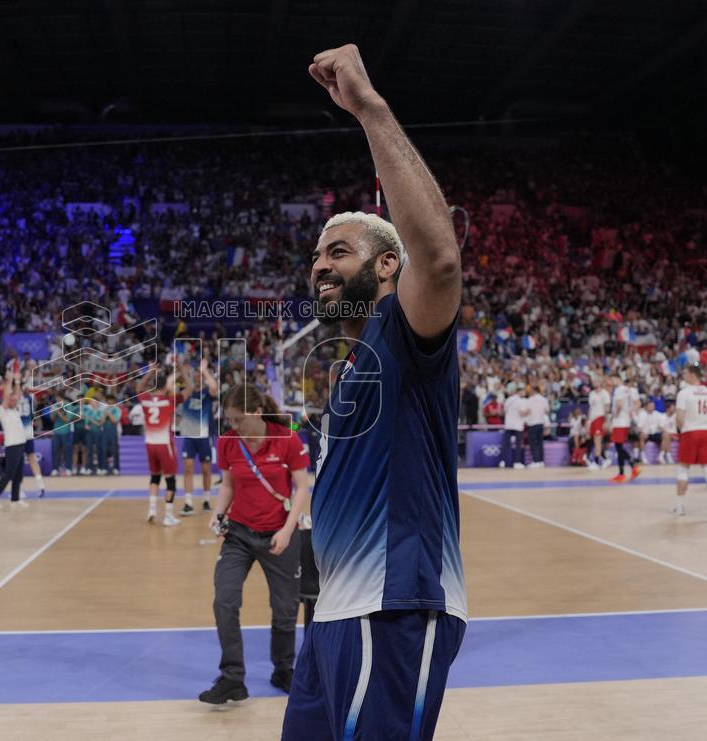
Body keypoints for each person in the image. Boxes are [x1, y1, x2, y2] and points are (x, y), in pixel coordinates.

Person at [282, 44, 466, 741]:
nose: (319, 266)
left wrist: (370, 109)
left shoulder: (404, 331)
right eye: (316, 256)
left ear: (388, 265)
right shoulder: (349, 363)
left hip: (390, 607)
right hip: (333, 612)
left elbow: (441, 259)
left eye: (339, 252)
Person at [199, 384, 310, 705]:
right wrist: (218, 515)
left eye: (237, 420)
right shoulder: (228, 443)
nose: (233, 427)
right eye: (229, 420)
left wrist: (288, 530)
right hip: (240, 534)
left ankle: (283, 668)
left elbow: (302, 488)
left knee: (286, 607)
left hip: (280, 533)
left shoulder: (286, 438)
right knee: (225, 600)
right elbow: (228, 485)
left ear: (257, 412)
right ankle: (233, 678)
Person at [137, 369, 180, 526]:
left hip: (150, 444)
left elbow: (139, 388)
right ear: (166, 387)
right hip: (164, 444)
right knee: (171, 480)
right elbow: (185, 391)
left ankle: (152, 510)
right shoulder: (169, 401)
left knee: (155, 477)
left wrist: (149, 373)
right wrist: (178, 375)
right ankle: (168, 516)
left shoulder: (145, 399)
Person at [179, 358, 219, 515]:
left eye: (199, 376)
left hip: (204, 436)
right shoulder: (187, 392)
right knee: (188, 469)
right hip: (189, 435)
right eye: (195, 375)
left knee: (206, 470)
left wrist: (205, 372)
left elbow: (214, 387)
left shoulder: (207, 393)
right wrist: (182, 369)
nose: (197, 378)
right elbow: (186, 388)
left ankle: (206, 500)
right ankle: (188, 502)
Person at [0, 373, 29, 509]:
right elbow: (7, 396)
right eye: (11, 399)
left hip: (20, 444)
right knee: (9, 473)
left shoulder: (15, 411)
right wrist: (10, 380)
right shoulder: (2, 412)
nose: (14, 400)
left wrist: (17, 381)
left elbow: (16, 395)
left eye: (14, 399)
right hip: (12, 445)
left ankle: (15, 500)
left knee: (18, 475)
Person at [671, 364, 706, 516]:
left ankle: (679, 507)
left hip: (690, 432)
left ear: (693, 375)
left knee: (683, 469)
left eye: (685, 373)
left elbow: (679, 418)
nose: (684, 376)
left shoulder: (684, 393)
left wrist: (681, 431)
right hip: (706, 431)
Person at [609, 374, 642, 483]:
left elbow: (618, 404)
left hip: (619, 422)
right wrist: (630, 412)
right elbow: (637, 403)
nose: (611, 381)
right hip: (626, 421)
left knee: (619, 447)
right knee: (619, 447)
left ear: (618, 379)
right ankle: (625, 471)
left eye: (612, 379)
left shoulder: (619, 389)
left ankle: (628, 470)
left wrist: (615, 416)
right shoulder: (629, 390)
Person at [586, 377, 612, 470]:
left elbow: (607, 409)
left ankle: (596, 463)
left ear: (601, 382)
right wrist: (588, 422)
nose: (594, 382)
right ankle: (605, 459)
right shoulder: (591, 394)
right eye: (593, 381)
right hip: (593, 419)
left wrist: (606, 421)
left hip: (600, 418)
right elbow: (590, 408)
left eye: (596, 380)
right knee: (595, 441)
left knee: (598, 442)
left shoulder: (605, 393)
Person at [499, 385, 527, 469]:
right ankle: (517, 463)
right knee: (518, 445)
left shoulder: (508, 400)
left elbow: (503, 411)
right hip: (517, 425)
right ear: (519, 392)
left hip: (508, 424)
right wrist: (528, 412)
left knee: (506, 444)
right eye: (523, 392)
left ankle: (502, 461)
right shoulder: (521, 401)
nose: (524, 393)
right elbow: (522, 412)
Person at [523, 383, 549, 468]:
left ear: (534, 391)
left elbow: (526, 411)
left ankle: (536, 461)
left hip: (532, 423)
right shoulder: (544, 399)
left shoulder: (530, 399)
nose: (529, 392)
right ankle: (541, 461)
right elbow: (547, 410)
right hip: (540, 423)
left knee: (533, 443)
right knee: (540, 443)